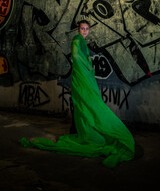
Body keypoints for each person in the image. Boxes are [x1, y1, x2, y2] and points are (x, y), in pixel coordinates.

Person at [20, 20, 135, 168]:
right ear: (78, 30)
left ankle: (78, 131)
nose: (85, 31)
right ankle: (80, 132)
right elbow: (75, 56)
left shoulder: (82, 41)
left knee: (82, 106)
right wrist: (88, 67)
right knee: (84, 104)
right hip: (81, 79)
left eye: (87, 29)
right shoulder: (77, 40)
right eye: (82, 28)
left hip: (82, 78)